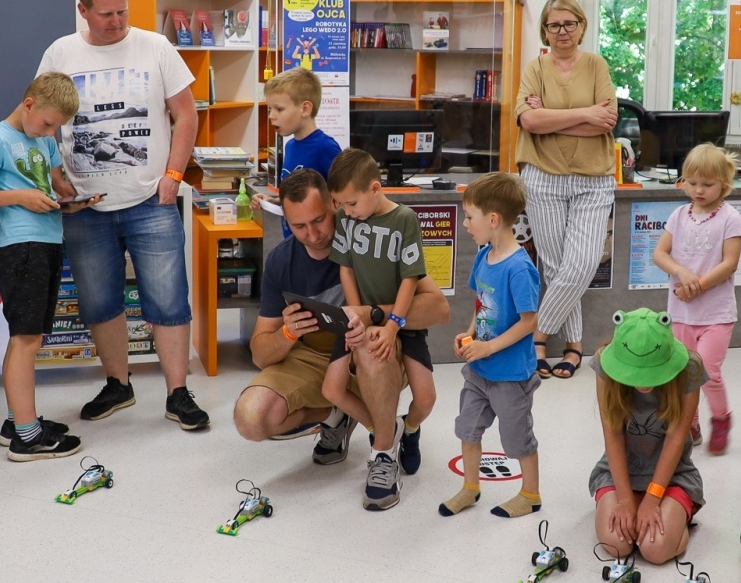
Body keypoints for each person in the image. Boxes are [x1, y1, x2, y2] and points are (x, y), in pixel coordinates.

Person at [37, 0, 209, 432]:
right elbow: (42, 120)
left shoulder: (155, 46)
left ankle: (178, 392)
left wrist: (174, 174)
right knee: (98, 302)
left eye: (122, 12)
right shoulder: (60, 52)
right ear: (83, 10)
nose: (116, 22)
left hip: (150, 200)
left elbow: (186, 115)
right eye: (105, 14)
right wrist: (55, 175)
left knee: (169, 300)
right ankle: (119, 383)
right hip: (85, 206)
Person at [231, 170, 450, 510]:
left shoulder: (372, 239)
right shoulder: (280, 260)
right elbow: (261, 353)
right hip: (314, 356)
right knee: (250, 417)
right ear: (286, 221)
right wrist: (288, 332)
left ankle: (383, 451)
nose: (314, 234)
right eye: (299, 226)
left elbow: (439, 310)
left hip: (375, 353)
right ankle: (339, 414)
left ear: (334, 205)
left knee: (369, 345)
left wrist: (372, 314)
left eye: (319, 220)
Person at [0, 72, 86, 462]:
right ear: (28, 104)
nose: (51, 130)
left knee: (30, 337)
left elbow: (56, 185)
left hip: (48, 240)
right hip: (21, 246)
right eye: (48, 122)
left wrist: (72, 198)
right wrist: (20, 197)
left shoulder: (44, 137)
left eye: (58, 126)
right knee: (26, 340)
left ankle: (17, 421)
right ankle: (27, 437)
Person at [324, 148, 438, 501]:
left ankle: (409, 427)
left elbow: (410, 279)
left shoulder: (404, 219)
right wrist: (356, 312)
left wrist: (392, 326)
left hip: (404, 323)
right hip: (359, 320)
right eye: (340, 204)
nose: (346, 211)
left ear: (375, 188)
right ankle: (382, 433)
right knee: (332, 389)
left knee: (426, 397)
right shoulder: (346, 219)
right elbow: (345, 267)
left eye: (352, 203)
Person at [515, 0, 618, 380]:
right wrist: (583, 113)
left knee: (581, 263)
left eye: (569, 23)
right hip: (542, 175)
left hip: (593, 178)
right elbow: (529, 123)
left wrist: (551, 117)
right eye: (554, 25)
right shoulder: (535, 67)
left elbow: (606, 122)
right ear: (545, 30)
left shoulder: (596, 65)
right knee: (555, 266)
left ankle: (535, 335)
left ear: (581, 26)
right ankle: (573, 346)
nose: (562, 31)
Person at [442, 172, 543, 519]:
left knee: (517, 439)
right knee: (468, 428)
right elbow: (481, 302)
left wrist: (488, 348)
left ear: (494, 219)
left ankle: (530, 494)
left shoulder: (519, 268)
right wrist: (470, 335)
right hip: (479, 370)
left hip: (510, 374)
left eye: (470, 217)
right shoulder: (484, 256)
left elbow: (530, 321)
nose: (466, 223)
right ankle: (471, 488)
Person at [651, 143, 741, 455]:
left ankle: (720, 419)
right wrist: (682, 273)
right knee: (682, 372)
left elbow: (729, 263)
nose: (698, 190)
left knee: (708, 372)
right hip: (680, 312)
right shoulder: (679, 215)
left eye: (707, 184)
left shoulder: (730, 217)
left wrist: (699, 284)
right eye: (692, 183)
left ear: (724, 184)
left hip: (716, 314)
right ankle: (689, 424)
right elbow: (659, 253)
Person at [590, 309, 706, 564]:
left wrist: (653, 498)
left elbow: (676, 438)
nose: (643, 383)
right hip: (619, 473)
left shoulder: (690, 368)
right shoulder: (603, 364)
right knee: (617, 544)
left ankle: (679, 519)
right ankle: (646, 509)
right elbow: (612, 435)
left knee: (655, 549)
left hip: (673, 475)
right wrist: (624, 499)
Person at [267, 67, 341, 239]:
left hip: (318, 243)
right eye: (270, 109)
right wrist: (274, 201)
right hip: (294, 241)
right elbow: (299, 197)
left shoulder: (326, 148)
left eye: (279, 109)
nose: (271, 116)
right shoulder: (290, 146)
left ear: (305, 109)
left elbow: (341, 199)